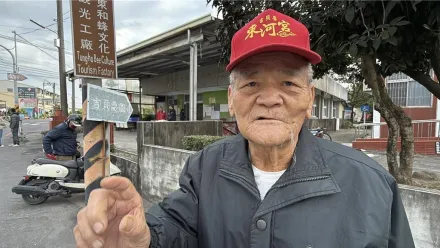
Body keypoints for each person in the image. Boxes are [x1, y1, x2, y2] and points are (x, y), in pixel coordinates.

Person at [74, 9, 414, 248]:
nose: (269, 99)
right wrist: (142, 237)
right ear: (232, 99)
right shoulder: (203, 167)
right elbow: (177, 230)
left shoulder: (371, 185)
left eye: (287, 83)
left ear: (310, 98)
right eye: (251, 84)